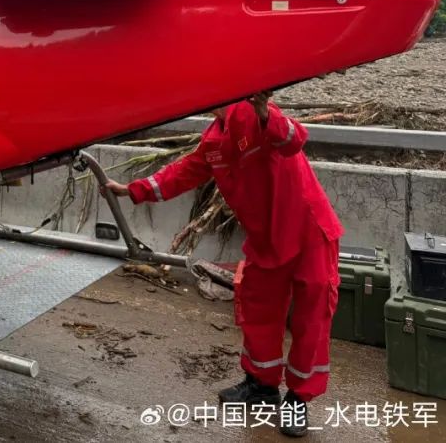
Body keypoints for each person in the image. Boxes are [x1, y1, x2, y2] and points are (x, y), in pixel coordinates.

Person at [107, 93, 342, 438]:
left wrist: (265, 112)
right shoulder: (213, 139)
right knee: (258, 312)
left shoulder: (252, 112)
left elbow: (294, 139)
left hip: (308, 232)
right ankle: (261, 387)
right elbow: (183, 172)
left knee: (312, 315)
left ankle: (297, 401)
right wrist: (133, 190)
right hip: (266, 242)